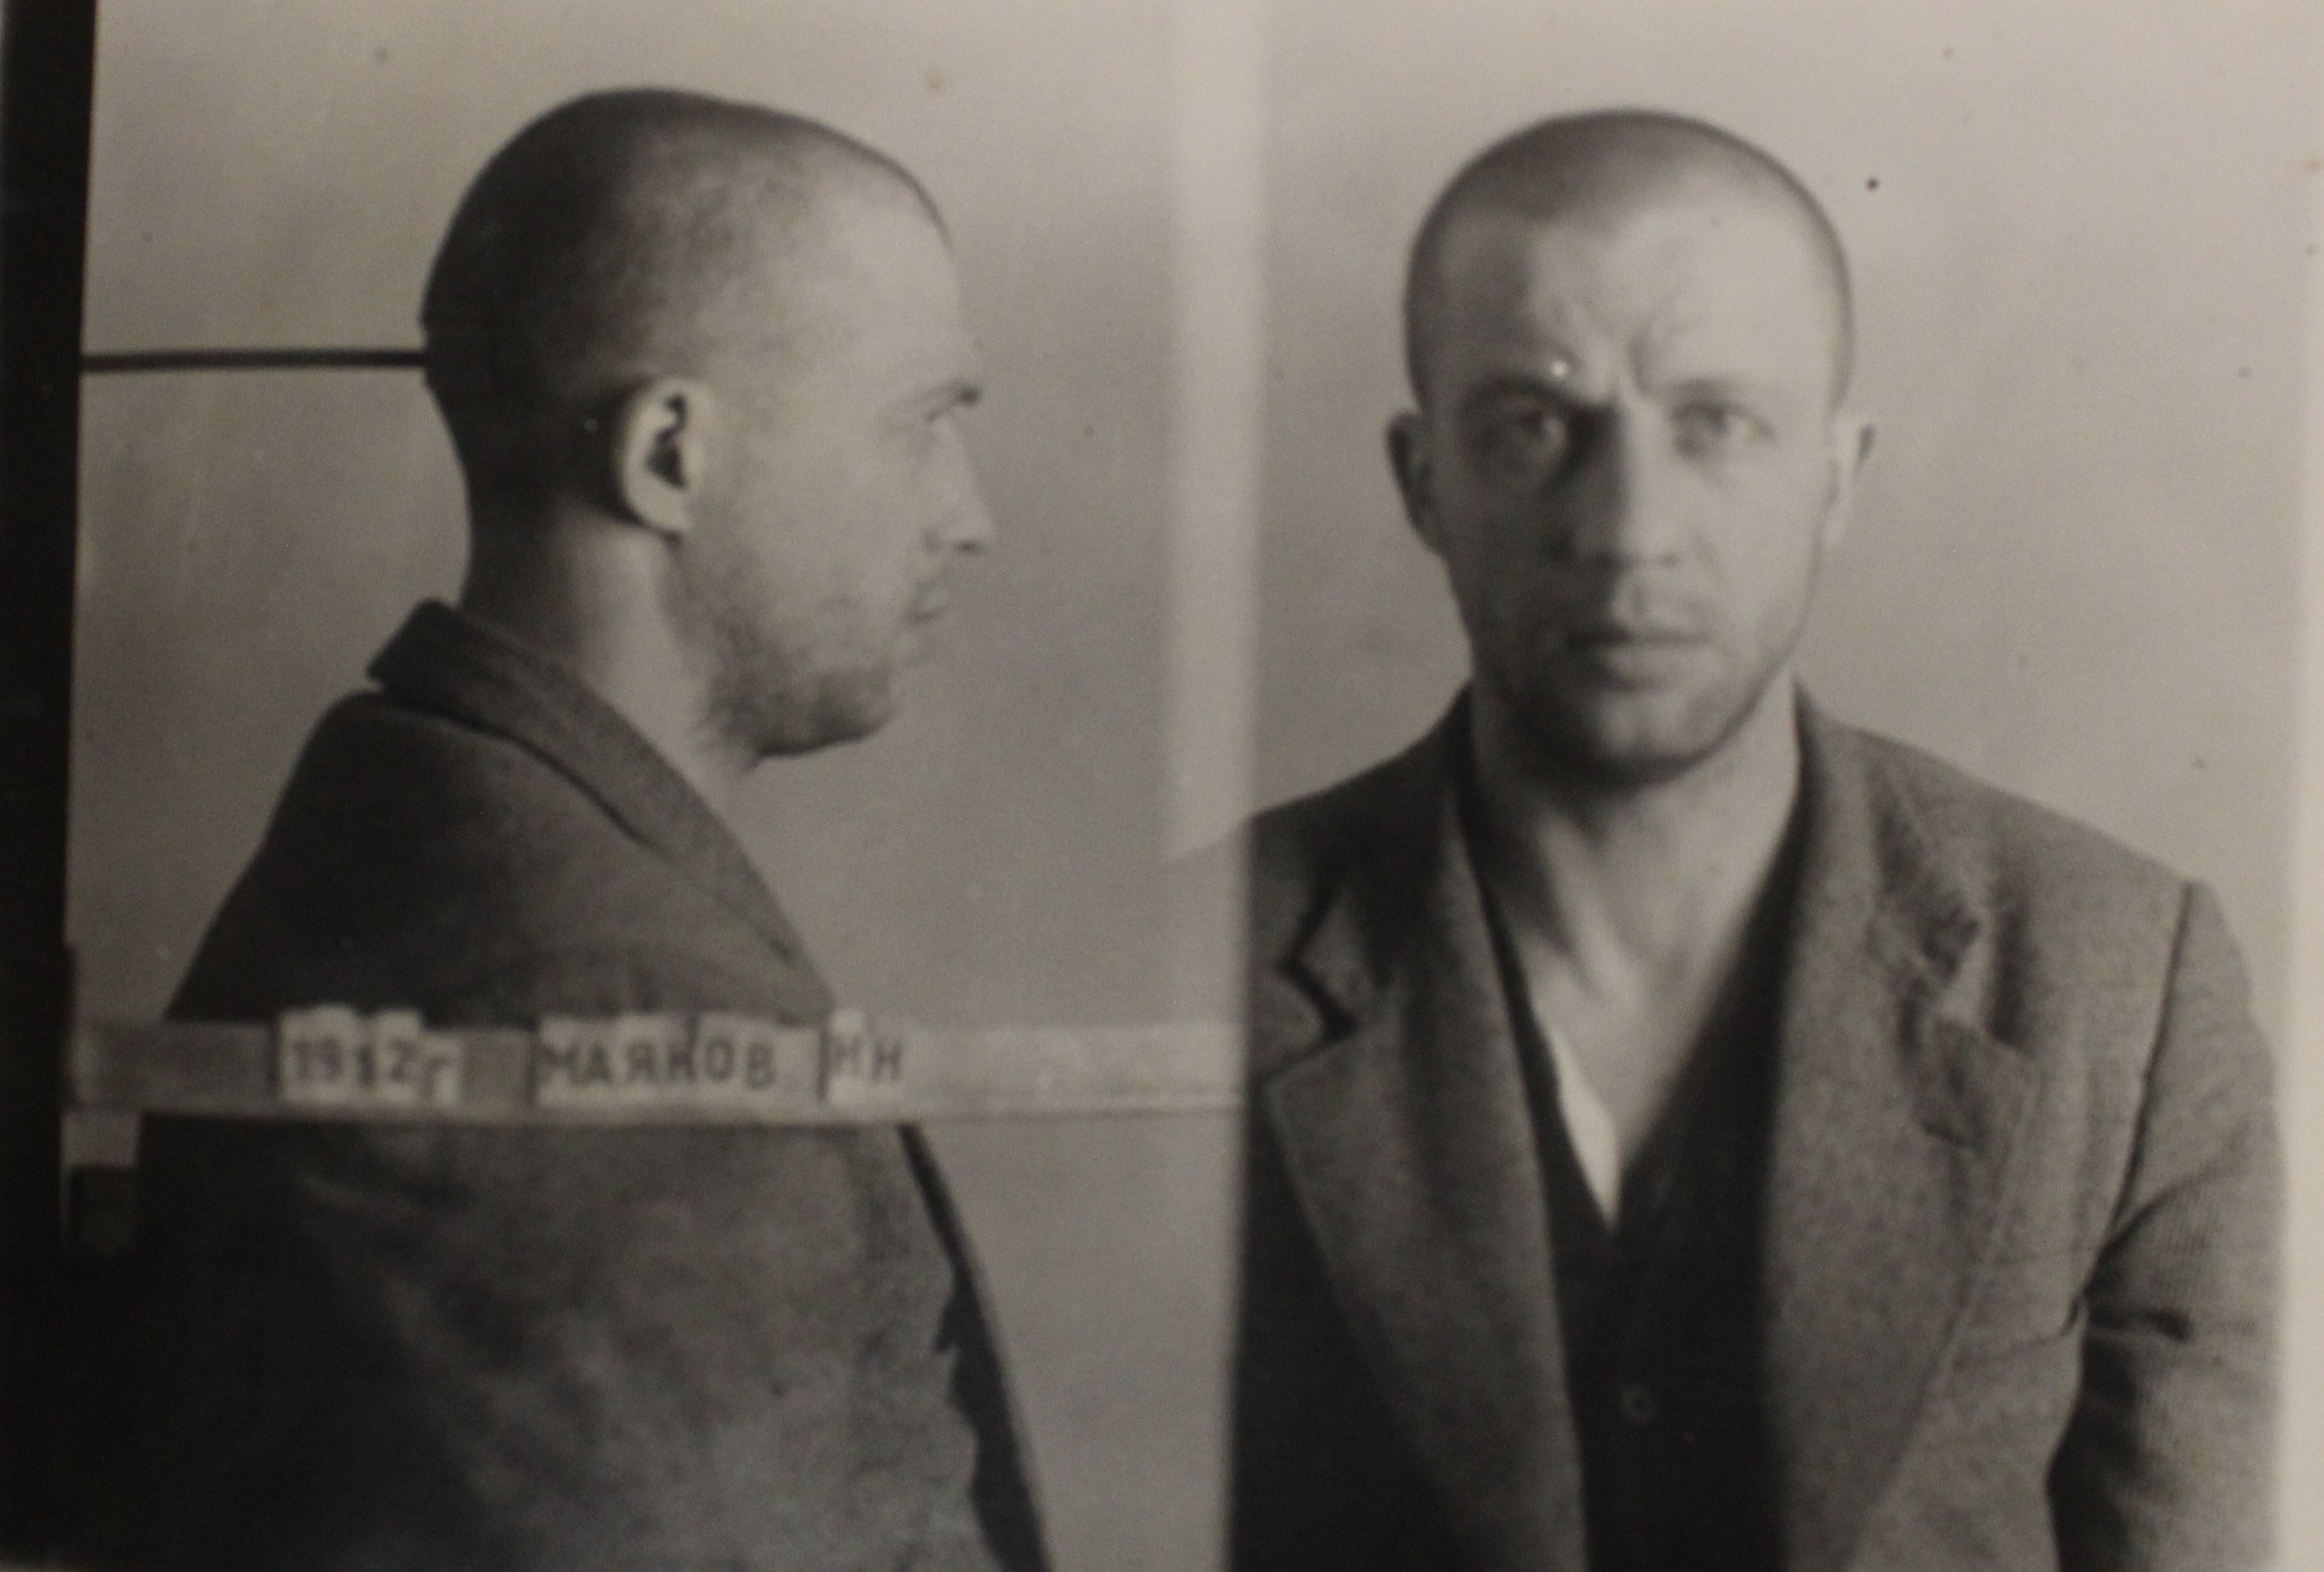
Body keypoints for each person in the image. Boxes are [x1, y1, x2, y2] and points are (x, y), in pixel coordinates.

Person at [1228, 110, 2278, 1572]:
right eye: (1533, 426)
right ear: (1422, 483)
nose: (1629, 527)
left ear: (1837, 477)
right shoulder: (1191, 961)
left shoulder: (2122, 983)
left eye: (1716, 423)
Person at [109, 89, 1045, 1572]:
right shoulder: (601, 1001)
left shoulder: (437, 832)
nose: (969, 513)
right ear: (670, 454)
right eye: (919, 425)